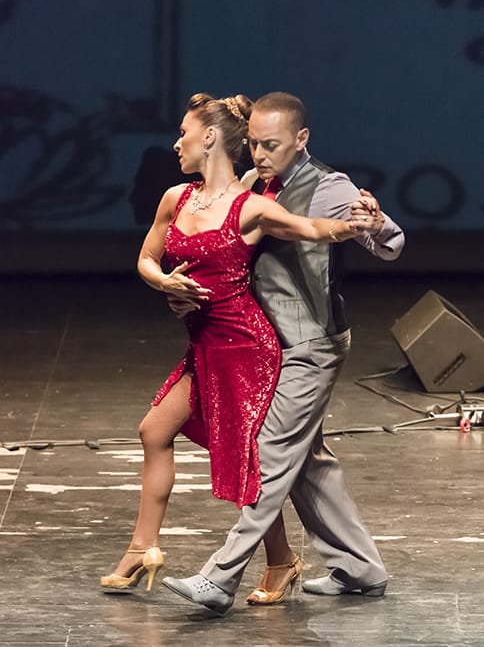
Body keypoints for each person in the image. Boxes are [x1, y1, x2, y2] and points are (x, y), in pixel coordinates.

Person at [99, 92, 379, 594]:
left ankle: (252, 569)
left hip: (248, 349)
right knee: (155, 431)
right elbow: (147, 259)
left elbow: (312, 227)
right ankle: (146, 547)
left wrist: (358, 224)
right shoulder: (177, 197)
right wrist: (165, 283)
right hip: (204, 346)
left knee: (247, 459)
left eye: (183, 132)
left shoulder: (252, 204)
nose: (176, 142)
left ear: (208, 137)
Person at [161, 91, 405, 615]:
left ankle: (219, 577)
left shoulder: (328, 186)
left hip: (311, 343)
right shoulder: (254, 183)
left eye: (270, 145)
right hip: (267, 345)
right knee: (308, 463)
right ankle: (360, 569)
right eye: (253, 143)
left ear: (301, 139)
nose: (259, 154)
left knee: (269, 454)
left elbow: (388, 242)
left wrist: (376, 221)